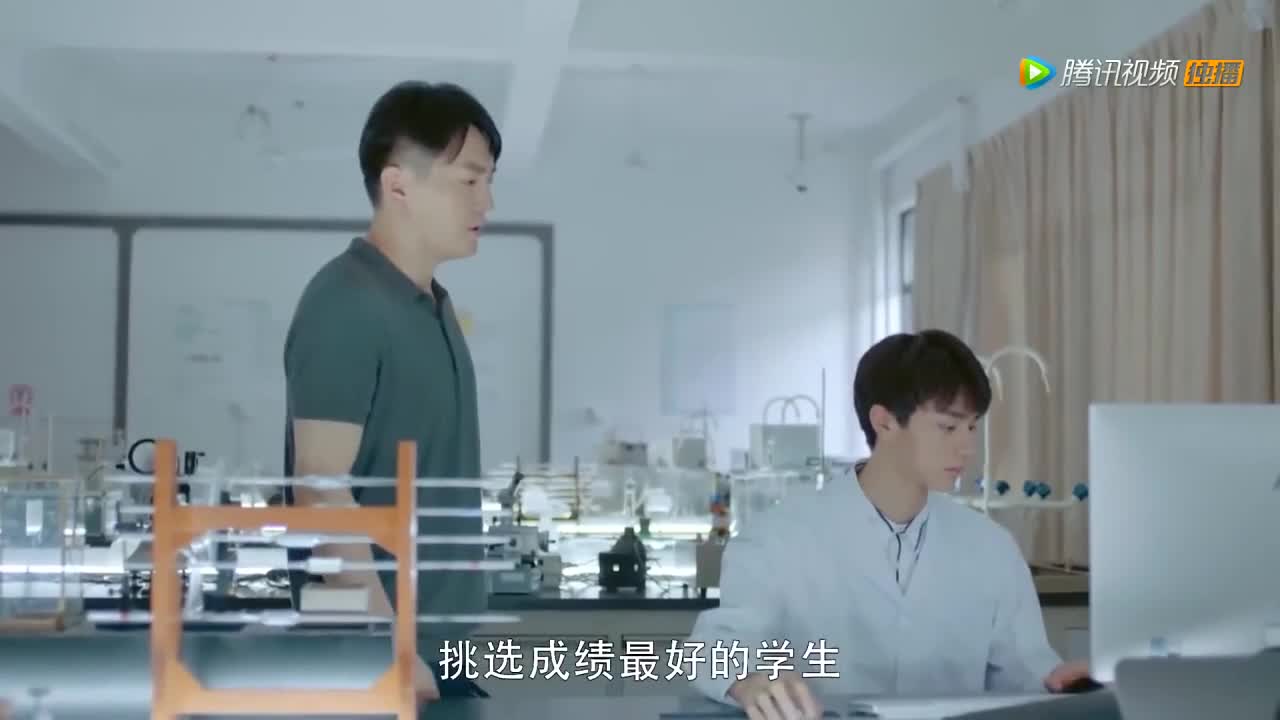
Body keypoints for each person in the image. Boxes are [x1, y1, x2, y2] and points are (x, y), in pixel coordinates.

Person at [687, 329, 1092, 719]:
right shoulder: (779, 537)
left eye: (972, 426)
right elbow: (712, 649)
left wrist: (1066, 684)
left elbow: (1028, 673)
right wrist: (749, 680)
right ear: (884, 422)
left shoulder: (991, 547)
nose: (967, 446)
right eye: (948, 427)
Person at [282, 80, 500, 705]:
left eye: (488, 181)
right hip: (374, 658)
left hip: (436, 652)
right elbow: (319, 487)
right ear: (398, 184)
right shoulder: (346, 303)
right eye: (469, 180)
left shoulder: (432, 305)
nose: (486, 201)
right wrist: (389, 651)